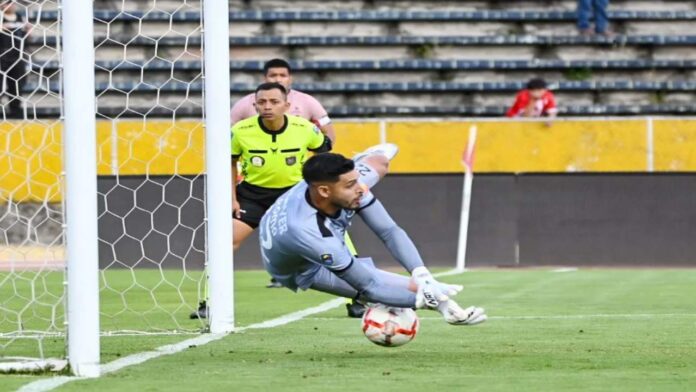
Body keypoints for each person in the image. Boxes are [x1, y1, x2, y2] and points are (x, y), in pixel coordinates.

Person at [259, 152, 488, 325]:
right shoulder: (309, 234)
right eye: (350, 185)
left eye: (358, 179)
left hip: (316, 230)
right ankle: (443, 306)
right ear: (324, 192)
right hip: (302, 267)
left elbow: (389, 230)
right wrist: (432, 301)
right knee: (372, 287)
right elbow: (369, 286)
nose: (361, 188)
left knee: (417, 286)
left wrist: (422, 274)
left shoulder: (346, 185)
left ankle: (441, 303)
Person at [231, 58, 336, 143]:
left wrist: (316, 163)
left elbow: (328, 133)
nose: (278, 79)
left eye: (283, 75)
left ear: (290, 78)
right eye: (273, 75)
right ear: (265, 78)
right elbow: (227, 132)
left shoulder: (308, 102)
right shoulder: (244, 103)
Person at [0, 1, 30, 118]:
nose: (10, 5)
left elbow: (26, 38)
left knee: (16, 86)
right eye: (7, 3)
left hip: (17, 56)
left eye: (12, 3)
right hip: (2, 56)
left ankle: (15, 112)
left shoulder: (20, 17)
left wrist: (28, 31)